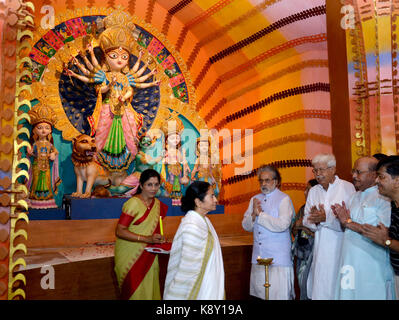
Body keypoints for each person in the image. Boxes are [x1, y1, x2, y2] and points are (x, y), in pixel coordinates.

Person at [65, 10, 160, 188]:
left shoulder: (127, 77)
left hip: (124, 112)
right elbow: (95, 84)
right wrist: (107, 85)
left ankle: (121, 176)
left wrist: (126, 95)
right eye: (114, 56)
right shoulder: (104, 74)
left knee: (130, 140)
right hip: (107, 110)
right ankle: (103, 175)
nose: (119, 60)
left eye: (124, 57)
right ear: (105, 57)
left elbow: (132, 89)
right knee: (101, 137)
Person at [332, 156, 395, 299]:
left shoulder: (384, 197)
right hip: (349, 263)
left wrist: (348, 222)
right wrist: (343, 222)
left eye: (359, 172)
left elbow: (381, 232)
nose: (354, 176)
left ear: (374, 174)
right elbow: (347, 227)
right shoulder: (354, 197)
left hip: (371, 265)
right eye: (353, 171)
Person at [303, 153, 355, 300]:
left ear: (333, 169)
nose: (318, 174)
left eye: (321, 170)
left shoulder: (347, 187)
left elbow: (351, 221)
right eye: (315, 170)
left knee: (339, 290)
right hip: (320, 251)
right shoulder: (314, 191)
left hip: (341, 248)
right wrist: (315, 220)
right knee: (320, 288)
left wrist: (326, 218)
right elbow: (306, 220)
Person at [163, 181, 224, 299]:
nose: (216, 200)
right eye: (211, 196)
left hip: (206, 284)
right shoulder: (191, 224)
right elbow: (188, 267)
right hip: (196, 289)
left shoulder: (204, 221)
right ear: (198, 202)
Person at [242, 165, 295, 300]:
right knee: (260, 295)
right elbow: (246, 226)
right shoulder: (255, 199)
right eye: (261, 181)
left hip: (278, 259)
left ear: (276, 181)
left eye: (267, 180)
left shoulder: (284, 199)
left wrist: (261, 215)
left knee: (278, 295)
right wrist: (253, 215)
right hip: (259, 257)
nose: (263, 184)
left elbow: (282, 225)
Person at [114, 169, 168, 300]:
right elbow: (120, 231)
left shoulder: (158, 205)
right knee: (134, 292)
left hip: (149, 256)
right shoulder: (133, 203)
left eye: (156, 184)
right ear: (142, 185)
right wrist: (147, 239)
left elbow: (155, 229)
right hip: (130, 256)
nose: (153, 188)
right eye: (149, 184)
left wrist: (159, 238)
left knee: (150, 289)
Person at [361, 155, 399, 299]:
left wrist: (386, 241)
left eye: (381, 177)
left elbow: (387, 240)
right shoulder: (393, 206)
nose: (376, 181)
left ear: (397, 181)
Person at [27, 104, 62, 209]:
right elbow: (31, 152)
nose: (43, 130)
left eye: (47, 128)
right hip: (36, 166)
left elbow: (56, 152)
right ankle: (34, 198)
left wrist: (53, 154)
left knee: (46, 181)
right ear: (34, 130)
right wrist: (30, 152)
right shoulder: (35, 144)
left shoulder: (50, 144)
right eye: (40, 128)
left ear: (50, 131)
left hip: (46, 167)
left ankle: (47, 199)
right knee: (36, 181)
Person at [291, 178, 318, 300]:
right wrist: (300, 225)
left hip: (314, 255)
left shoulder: (319, 210)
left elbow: (320, 232)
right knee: (302, 285)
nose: (305, 192)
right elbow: (294, 228)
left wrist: (305, 227)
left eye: (308, 189)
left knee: (311, 287)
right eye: (305, 189)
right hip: (301, 254)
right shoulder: (303, 209)